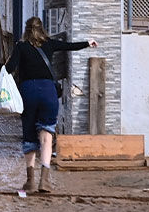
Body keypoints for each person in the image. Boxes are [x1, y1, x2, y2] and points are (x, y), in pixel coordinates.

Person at [6, 17, 98, 193]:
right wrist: (88, 43)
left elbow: (9, 69)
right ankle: (45, 181)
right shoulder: (49, 44)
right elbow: (69, 46)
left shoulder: (20, 46)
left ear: (26, 30)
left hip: (28, 92)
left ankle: (30, 181)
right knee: (46, 134)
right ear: (42, 29)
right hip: (48, 92)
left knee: (29, 136)